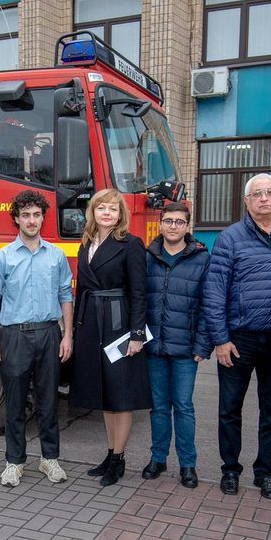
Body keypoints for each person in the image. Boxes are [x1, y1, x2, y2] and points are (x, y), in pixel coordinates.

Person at [202, 173, 271, 499]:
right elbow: (214, 292)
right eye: (257, 194)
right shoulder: (230, 239)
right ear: (247, 202)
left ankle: (265, 473)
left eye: (270, 193)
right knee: (230, 408)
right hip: (238, 339)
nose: (264, 198)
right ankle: (230, 471)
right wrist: (220, 339)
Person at [0, 190, 74, 487]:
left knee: (49, 401)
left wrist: (67, 335)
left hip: (49, 333)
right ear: (16, 220)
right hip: (14, 336)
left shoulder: (57, 256)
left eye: (36, 215)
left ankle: (50, 460)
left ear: (43, 218)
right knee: (15, 404)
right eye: (26, 215)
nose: (32, 220)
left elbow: (65, 296)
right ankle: (14, 462)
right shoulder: (3, 257)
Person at [72, 189, 150, 487]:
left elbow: (139, 292)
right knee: (104, 394)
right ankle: (109, 454)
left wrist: (137, 334)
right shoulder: (85, 245)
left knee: (121, 394)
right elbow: (81, 290)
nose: (107, 213)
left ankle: (119, 460)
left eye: (113, 209)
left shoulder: (131, 245)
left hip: (119, 325)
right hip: (91, 323)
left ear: (120, 215)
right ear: (93, 212)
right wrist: (77, 330)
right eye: (101, 208)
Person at [142, 201, 212, 489]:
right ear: (160, 224)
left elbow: (209, 305)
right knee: (158, 407)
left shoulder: (201, 258)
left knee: (183, 406)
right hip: (154, 347)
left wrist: (202, 346)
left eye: (179, 222)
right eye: (168, 221)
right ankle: (158, 459)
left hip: (185, 349)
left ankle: (188, 464)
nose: (173, 226)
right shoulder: (147, 256)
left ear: (187, 226)